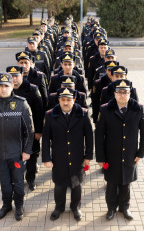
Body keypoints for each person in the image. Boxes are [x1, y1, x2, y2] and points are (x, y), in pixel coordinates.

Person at [0, 72, 34, 221]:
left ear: (12, 87)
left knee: (18, 184)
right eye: (1, 85)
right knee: (5, 184)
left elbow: (29, 131)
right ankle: (7, 205)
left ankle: (19, 206)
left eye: (6, 86)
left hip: (16, 154)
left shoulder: (21, 104)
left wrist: (27, 151)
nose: (3, 89)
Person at [95, 79, 144, 221]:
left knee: (126, 183)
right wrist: (100, 157)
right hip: (111, 155)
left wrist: (140, 153)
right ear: (115, 94)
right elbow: (99, 135)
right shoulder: (105, 109)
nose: (122, 95)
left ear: (130, 93)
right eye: (119, 92)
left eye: (125, 92)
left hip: (130, 154)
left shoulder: (138, 108)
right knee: (111, 184)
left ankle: (124, 207)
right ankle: (111, 208)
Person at [42, 87, 93, 221]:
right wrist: (46, 158)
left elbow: (89, 136)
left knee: (76, 185)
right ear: (58, 100)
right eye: (63, 100)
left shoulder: (82, 114)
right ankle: (59, 207)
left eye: (68, 100)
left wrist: (88, 156)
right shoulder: (50, 115)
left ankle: (75, 207)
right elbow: (46, 138)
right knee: (59, 185)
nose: (65, 103)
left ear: (74, 100)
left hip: (77, 158)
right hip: (59, 158)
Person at [6, 66, 44, 191]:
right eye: (11, 77)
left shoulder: (32, 89)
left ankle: (31, 179)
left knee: (32, 157)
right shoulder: (6, 90)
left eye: (16, 76)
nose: (14, 79)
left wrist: (38, 131)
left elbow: (39, 111)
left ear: (22, 75)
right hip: (13, 132)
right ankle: (18, 179)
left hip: (30, 131)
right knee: (15, 157)